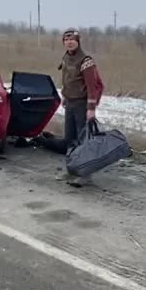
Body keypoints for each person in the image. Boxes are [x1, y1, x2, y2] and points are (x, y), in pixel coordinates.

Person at [57, 28, 104, 184]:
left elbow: (92, 86)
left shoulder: (86, 61)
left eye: (72, 40)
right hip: (70, 102)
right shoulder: (65, 58)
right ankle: (72, 171)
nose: (69, 42)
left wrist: (91, 109)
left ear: (78, 41)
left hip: (82, 104)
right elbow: (67, 80)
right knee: (70, 139)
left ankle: (85, 175)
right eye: (66, 40)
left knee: (83, 139)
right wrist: (65, 97)